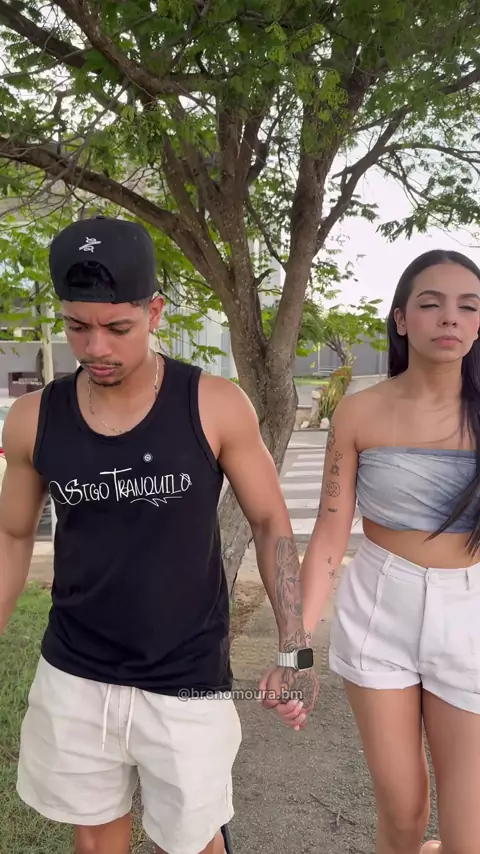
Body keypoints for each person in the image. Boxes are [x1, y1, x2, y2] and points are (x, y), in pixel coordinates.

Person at [0, 215, 318, 854]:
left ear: (154, 311)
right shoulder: (35, 418)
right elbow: (11, 537)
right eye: (77, 327)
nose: (95, 348)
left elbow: (269, 523)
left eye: (117, 328)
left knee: (195, 841)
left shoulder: (214, 403)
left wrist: (295, 648)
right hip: (75, 671)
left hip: (186, 675)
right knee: (96, 841)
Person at [298, 249, 480, 854]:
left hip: (470, 614)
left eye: (468, 306)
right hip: (380, 609)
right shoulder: (359, 411)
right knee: (403, 813)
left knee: (467, 836)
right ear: (401, 319)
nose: (449, 318)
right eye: (431, 304)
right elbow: (329, 536)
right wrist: (296, 646)